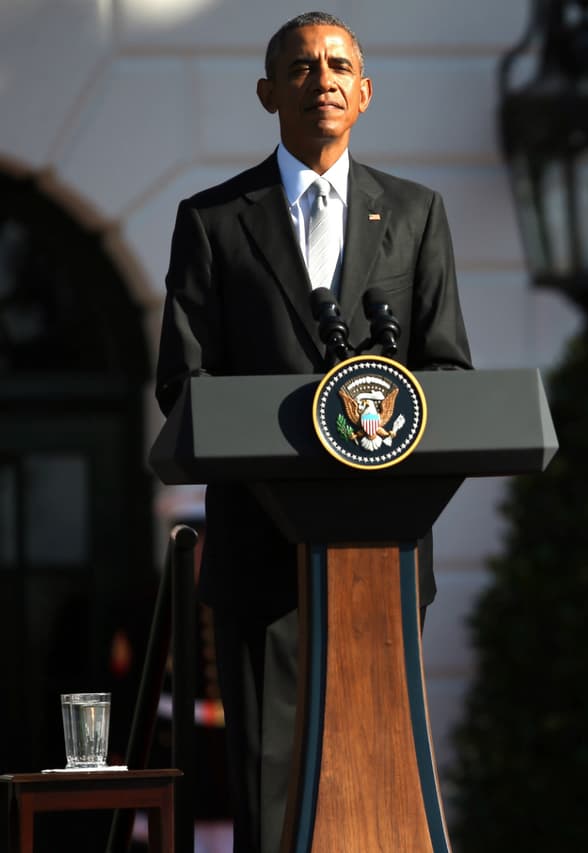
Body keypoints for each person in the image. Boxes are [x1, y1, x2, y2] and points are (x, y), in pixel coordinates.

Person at [154, 11, 471, 852]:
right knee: (273, 786)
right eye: (300, 67)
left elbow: (447, 371)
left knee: (377, 781)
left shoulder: (416, 214)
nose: (321, 79)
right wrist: (295, 425)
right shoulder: (214, 220)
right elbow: (182, 384)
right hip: (261, 552)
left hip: (383, 553)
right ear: (268, 93)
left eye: (337, 66)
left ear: (364, 93)